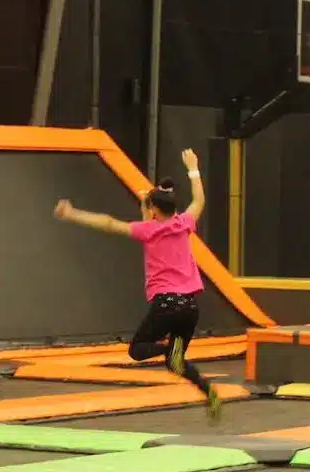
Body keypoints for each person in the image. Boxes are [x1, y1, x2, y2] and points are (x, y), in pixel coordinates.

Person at [53, 147, 223, 421]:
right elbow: (199, 199)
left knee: (137, 350)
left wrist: (73, 214)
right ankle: (208, 392)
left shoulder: (148, 230)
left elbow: (109, 223)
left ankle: (167, 346)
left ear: (153, 210)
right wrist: (193, 168)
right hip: (190, 307)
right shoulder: (184, 223)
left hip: (167, 304)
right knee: (176, 362)